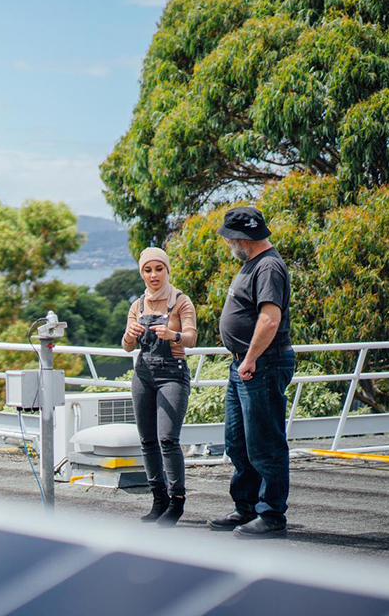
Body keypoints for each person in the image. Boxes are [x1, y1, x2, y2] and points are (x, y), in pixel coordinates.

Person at [208, 206, 297, 538]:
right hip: (244, 363)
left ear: (243, 238)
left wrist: (250, 359)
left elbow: (270, 318)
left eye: (231, 238)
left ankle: (272, 515)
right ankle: (245, 508)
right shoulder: (252, 264)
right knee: (238, 441)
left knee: (265, 442)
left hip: (261, 363)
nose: (229, 243)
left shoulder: (269, 266)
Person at [122, 247, 198, 526]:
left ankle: (177, 500)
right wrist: (128, 335)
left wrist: (173, 334)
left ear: (167, 270)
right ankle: (159, 499)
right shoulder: (137, 305)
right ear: (142, 273)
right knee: (147, 440)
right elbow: (127, 346)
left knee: (167, 438)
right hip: (143, 374)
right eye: (147, 270)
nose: (153, 275)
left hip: (173, 374)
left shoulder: (180, 301)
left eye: (158, 269)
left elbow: (192, 338)